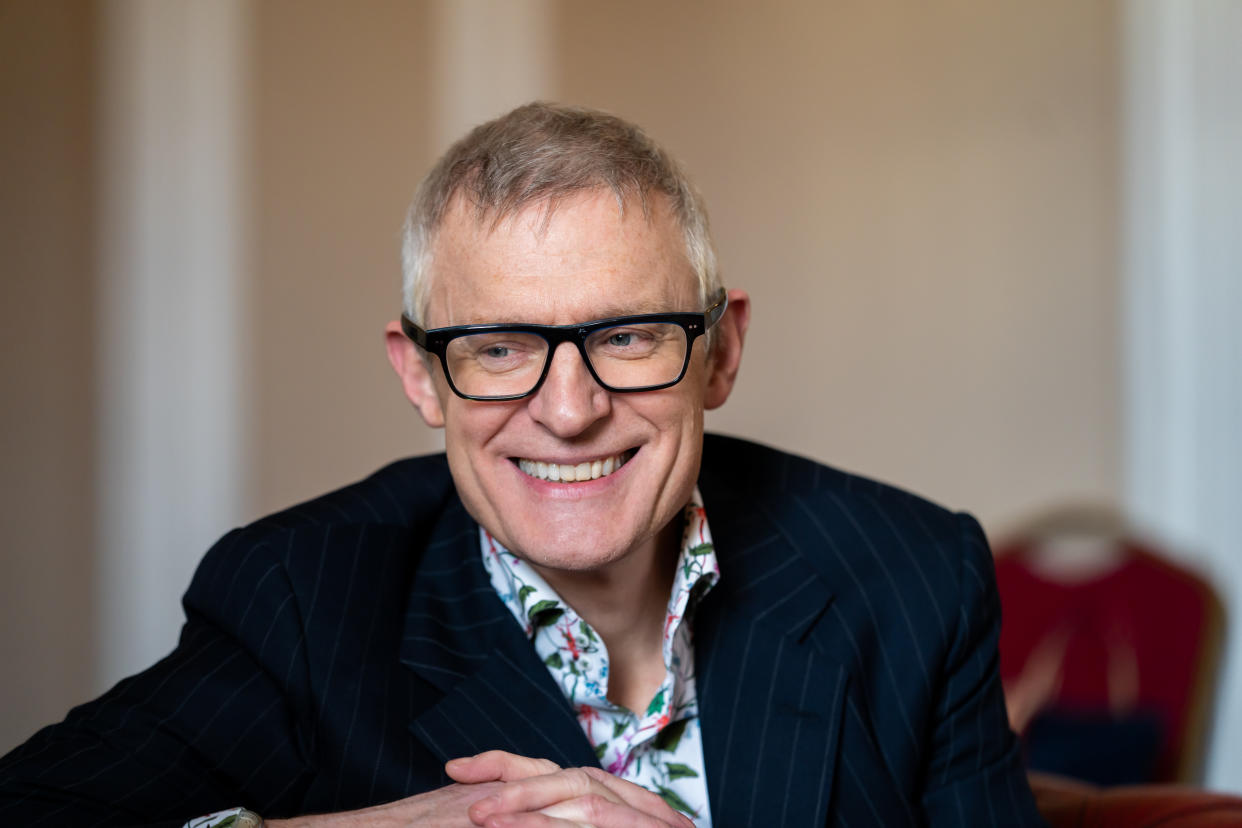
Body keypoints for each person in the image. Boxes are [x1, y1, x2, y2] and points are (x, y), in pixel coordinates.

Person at [0, 102, 1042, 827]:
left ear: (719, 352)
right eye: (497, 349)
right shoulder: (301, 600)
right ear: (421, 379)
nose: (571, 409)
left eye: (629, 336)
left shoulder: (913, 576)